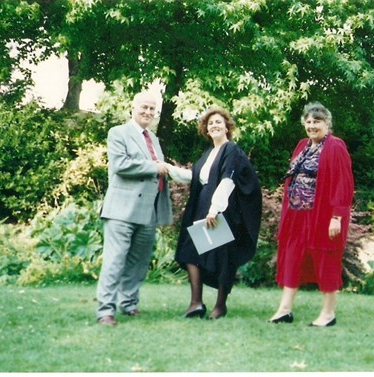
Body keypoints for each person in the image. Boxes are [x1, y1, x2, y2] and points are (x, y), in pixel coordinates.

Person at [167, 107, 262, 320]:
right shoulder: (208, 154)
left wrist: (214, 209)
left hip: (221, 210)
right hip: (201, 208)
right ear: (206, 130)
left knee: (222, 256)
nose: (214, 126)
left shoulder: (232, 150)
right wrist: (168, 169)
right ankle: (196, 303)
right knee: (189, 251)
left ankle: (220, 306)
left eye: (218, 122)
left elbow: (228, 180)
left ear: (227, 127)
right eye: (210, 124)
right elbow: (195, 177)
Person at [269, 102, 354, 327]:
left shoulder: (336, 146)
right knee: (292, 257)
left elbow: (343, 184)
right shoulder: (301, 146)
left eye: (317, 121)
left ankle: (328, 313)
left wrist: (337, 217)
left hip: (322, 216)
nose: (312, 125)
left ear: (327, 124)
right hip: (297, 215)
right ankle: (285, 309)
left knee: (326, 259)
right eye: (308, 122)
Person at [96, 91, 173, 326]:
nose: (148, 112)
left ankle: (128, 303)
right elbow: (121, 165)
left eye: (152, 109)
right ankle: (105, 311)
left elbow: (158, 172)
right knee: (115, 261)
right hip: (121, 210)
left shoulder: (154, 139)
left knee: (139, 262)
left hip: (148, 210)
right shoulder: (118, 133)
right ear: (133, 107)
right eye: (144, 107)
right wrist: (156, 166)